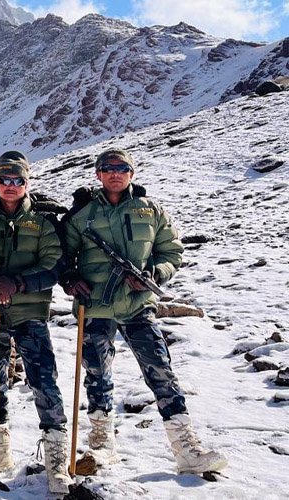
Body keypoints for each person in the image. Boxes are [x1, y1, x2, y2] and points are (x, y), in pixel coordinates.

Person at [60, 148, 227, 474]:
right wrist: (69, 278)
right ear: (98, 174)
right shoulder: (82, 214)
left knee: (160, 370)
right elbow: (62, 254)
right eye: (108, 168)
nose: (115, 173)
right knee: (96, 374)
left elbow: (171, 251)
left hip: (138, 306)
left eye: (122, 168)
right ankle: (100, 443)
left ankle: (186, 448)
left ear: (132, 174)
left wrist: (155, 274)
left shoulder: (150, 211)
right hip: (96, 305)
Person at [0, 151, 71, 494]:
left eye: (17, 180)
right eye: (4, 180)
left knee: (43, 380)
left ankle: (56, 459)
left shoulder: (44, 220)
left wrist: (17, 284)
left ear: (27, 182)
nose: (10, 186)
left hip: (29, 312)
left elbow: (54, 264)